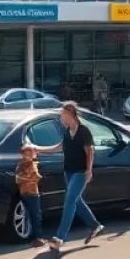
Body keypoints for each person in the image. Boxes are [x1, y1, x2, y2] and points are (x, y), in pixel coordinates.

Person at [32, 102, 104, 251]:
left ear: (71, 115)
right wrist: (38, 149)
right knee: (76, 201)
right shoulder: (66, 131)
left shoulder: (83, 131)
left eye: (63, 115)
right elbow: (58, 147)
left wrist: (89, 170)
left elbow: (90, 151)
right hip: (69, 171)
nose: (61, 118)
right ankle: (95, 226)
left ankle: (60, 238)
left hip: (80, 172)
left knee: (70, 202)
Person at [15, 142, 47, 247]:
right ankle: (37, 237)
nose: (27, 155)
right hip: (28, 192)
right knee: (33, 214)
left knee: (33, 214)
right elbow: (20, 178)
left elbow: (34, 177)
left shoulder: (28, 165)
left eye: (30, 153)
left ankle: (37, 237)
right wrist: (32, 178)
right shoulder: (24, 165)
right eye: (25, 153)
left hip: (30, 192)